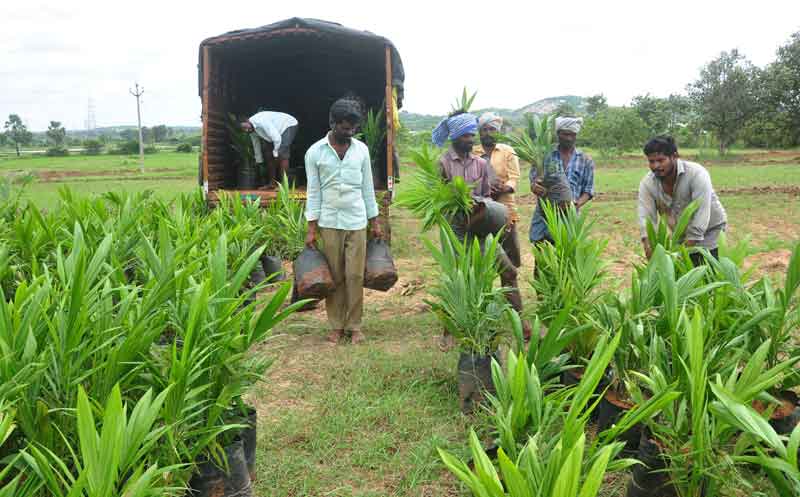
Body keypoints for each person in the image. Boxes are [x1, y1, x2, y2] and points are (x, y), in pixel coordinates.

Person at [433, 111, 531, 346]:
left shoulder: (481, 164)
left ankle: (521, 323)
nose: (470, 140)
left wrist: (483, 207)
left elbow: (487, 196)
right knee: (458, 277)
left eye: (471, 135)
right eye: (466, 136)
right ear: (455, 136)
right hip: (457, 229)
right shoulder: (443, 164)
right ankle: (449, 331)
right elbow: (436, 198)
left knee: (508, 271)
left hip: (480, 228)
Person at [304, 99, 383, 345]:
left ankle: (355, 326)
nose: (349, 133)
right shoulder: (315, 152)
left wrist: (375, 221)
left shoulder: (361, 150)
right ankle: (336, 326)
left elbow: (367, 188)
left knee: (355, 275)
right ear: (332, 123)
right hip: (329, 222)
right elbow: (313, 191)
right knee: (335, 276)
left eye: (352, 129)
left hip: (357, 220)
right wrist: (311, 227)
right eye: (344, 128)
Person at [638, 136, 727, 265]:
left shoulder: (696, 174)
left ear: (674, 156)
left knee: (708, 274)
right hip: (681, 236)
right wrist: (649, 247)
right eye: (651, 161)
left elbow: (700, 219)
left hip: (710, 232)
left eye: (661, 160)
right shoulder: (648, 184)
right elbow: (646, 220)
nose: (656, 166)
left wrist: (678, 256)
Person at [529, 117, 595, 244]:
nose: (569, 138)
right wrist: (535, 186)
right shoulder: (544, 155)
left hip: (569, 217)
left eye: (572, 134)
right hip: (545, 215)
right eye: (565, 134)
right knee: (542, 254)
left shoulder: (585, 160)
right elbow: (534, 181)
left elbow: (588, 191)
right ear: (558, 134)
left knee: (567, 255)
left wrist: (574, 205)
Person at [474, 112, 522, 268]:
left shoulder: (507, 151)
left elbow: (514, 177)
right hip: (481, 209)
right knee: (484, 255)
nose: (488, 133)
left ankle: (508, 288)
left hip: (505, 208)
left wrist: (504, 188)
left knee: (510, 256)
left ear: (498, 131)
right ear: (479, 131)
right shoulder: (473, 152)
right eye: (484, 129)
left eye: (492, 129)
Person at [241, 111, 298, 189]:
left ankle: (284, 186)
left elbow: (277, 138)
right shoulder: (251, 129)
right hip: (275, 132)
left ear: (247, 120)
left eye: (245, 127)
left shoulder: (260, 121)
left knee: (282, 155)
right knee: (268, 155)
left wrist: (275, 152)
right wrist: (259, 160)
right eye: (244, 129)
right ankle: (272, 184)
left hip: (287, 125)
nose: (246, 130)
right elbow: (256, 144)